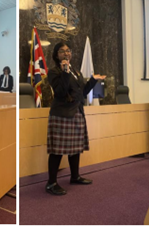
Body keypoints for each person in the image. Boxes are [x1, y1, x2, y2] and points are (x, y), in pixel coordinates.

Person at [45, 42, 106, 195]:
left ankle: (75, 176)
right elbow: (60, 91)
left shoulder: (76, 72)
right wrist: (65, 71)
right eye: (62, 51)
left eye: (68, 51)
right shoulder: (54, 72)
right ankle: (51, 183)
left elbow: (82, 92)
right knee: (57, 150)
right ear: (56, 55)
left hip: (77, 112)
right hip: (61, 114)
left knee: (76, 148)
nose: (66, 53)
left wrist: (92, 80)